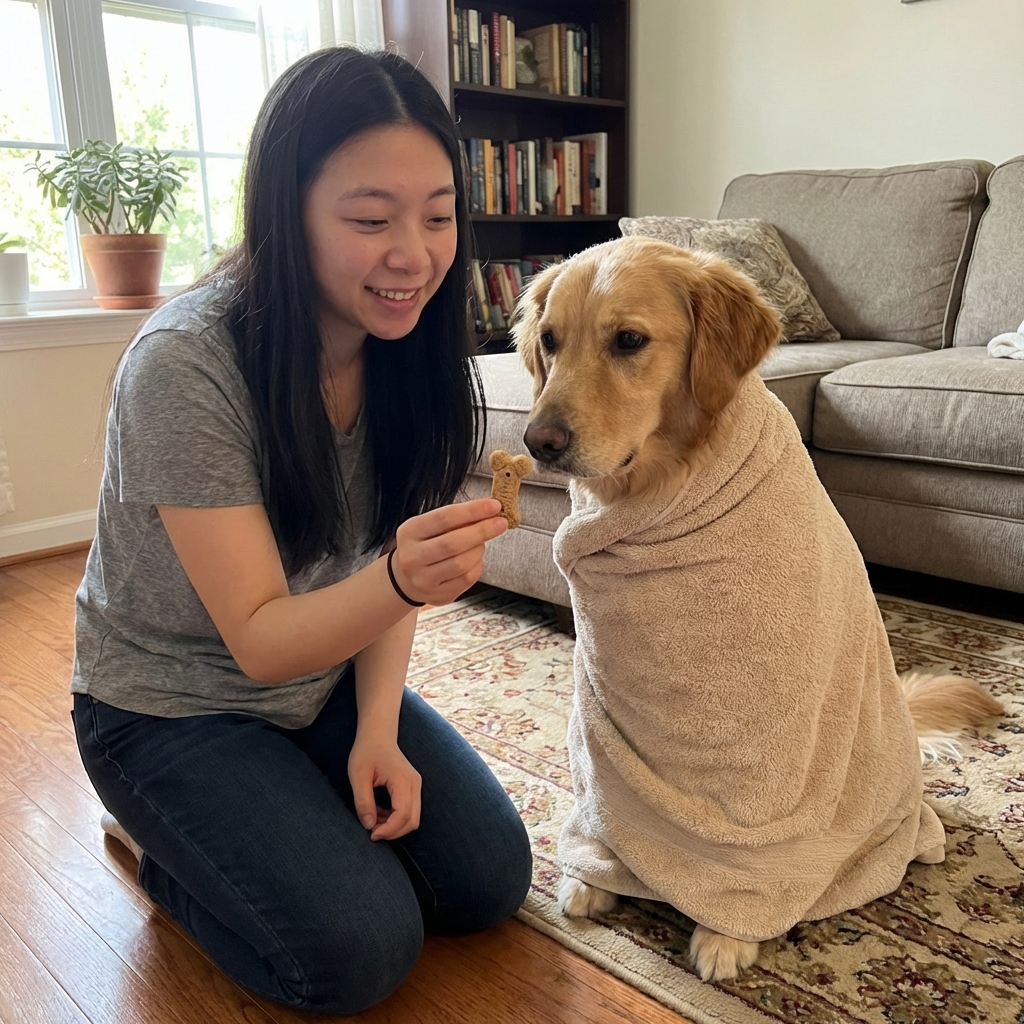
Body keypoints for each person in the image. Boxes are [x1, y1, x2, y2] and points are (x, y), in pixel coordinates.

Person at [71, 47, 532, 1015]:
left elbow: (372, 563)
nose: (414, 252)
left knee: (486, 881)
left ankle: (274, 810)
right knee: (353, 955)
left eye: (439, 215)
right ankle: (157, 849)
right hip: (168, 707)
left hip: (317, 678)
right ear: (287, 211)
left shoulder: (411, 351)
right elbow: (263, 635)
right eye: (371, 219)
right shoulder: (186, 366)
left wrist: (375, 730)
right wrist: (404, 581)